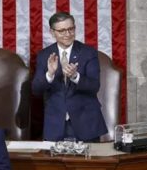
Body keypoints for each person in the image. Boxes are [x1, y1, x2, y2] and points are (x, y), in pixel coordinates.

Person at [31, 12, 108, 142]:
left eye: (71, 29)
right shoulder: (44, 55)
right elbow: (36, 90)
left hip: (85, 123)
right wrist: (49, 74)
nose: (68, 34)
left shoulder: (88, 52)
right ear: (52, 32)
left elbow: (94, 86)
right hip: (55, 125)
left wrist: (75, 76)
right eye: (62, 31)